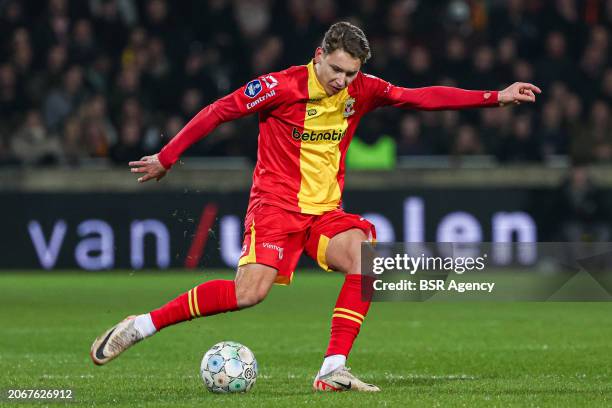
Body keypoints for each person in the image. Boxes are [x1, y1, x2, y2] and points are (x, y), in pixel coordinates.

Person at [90, 21, 540, 392]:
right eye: (338, 70)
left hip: (324, 212)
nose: (343, 81)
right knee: (249, 294)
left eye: (351, 73)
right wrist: (167, 157)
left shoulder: (361, 89)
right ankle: (142, 325)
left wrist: (495, 96)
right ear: (319, 53)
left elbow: (418, 96)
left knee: (364, 256)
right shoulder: (279, 86)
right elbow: (218, 111)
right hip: (275, 206)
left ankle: (332, 369)